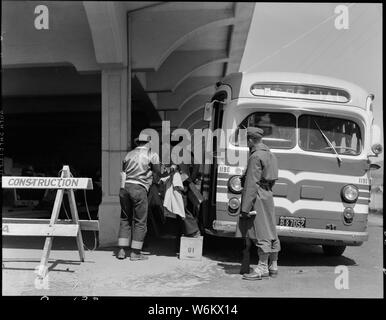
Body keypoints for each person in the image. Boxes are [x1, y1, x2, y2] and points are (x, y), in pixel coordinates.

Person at [236, 127, 280, 280]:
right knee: (271, 230)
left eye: (246, 140)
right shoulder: (270, 154)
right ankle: (273, 265)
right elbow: (273, 178)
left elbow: (251, 184)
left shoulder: (255, 157)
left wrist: (245, 207)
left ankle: (261, 268)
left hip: (258, 196)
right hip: (268, 194)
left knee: (260, 231)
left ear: (250, 140)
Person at [117, 135, 162, 261]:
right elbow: (158, 171)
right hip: (139, 188)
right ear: (149, 142)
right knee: (140, 221)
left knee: (125, 219)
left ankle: (121, 251)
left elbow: (124, 171)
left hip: (124, 188)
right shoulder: (151, 154)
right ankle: (135, 253)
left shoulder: (128, 154)